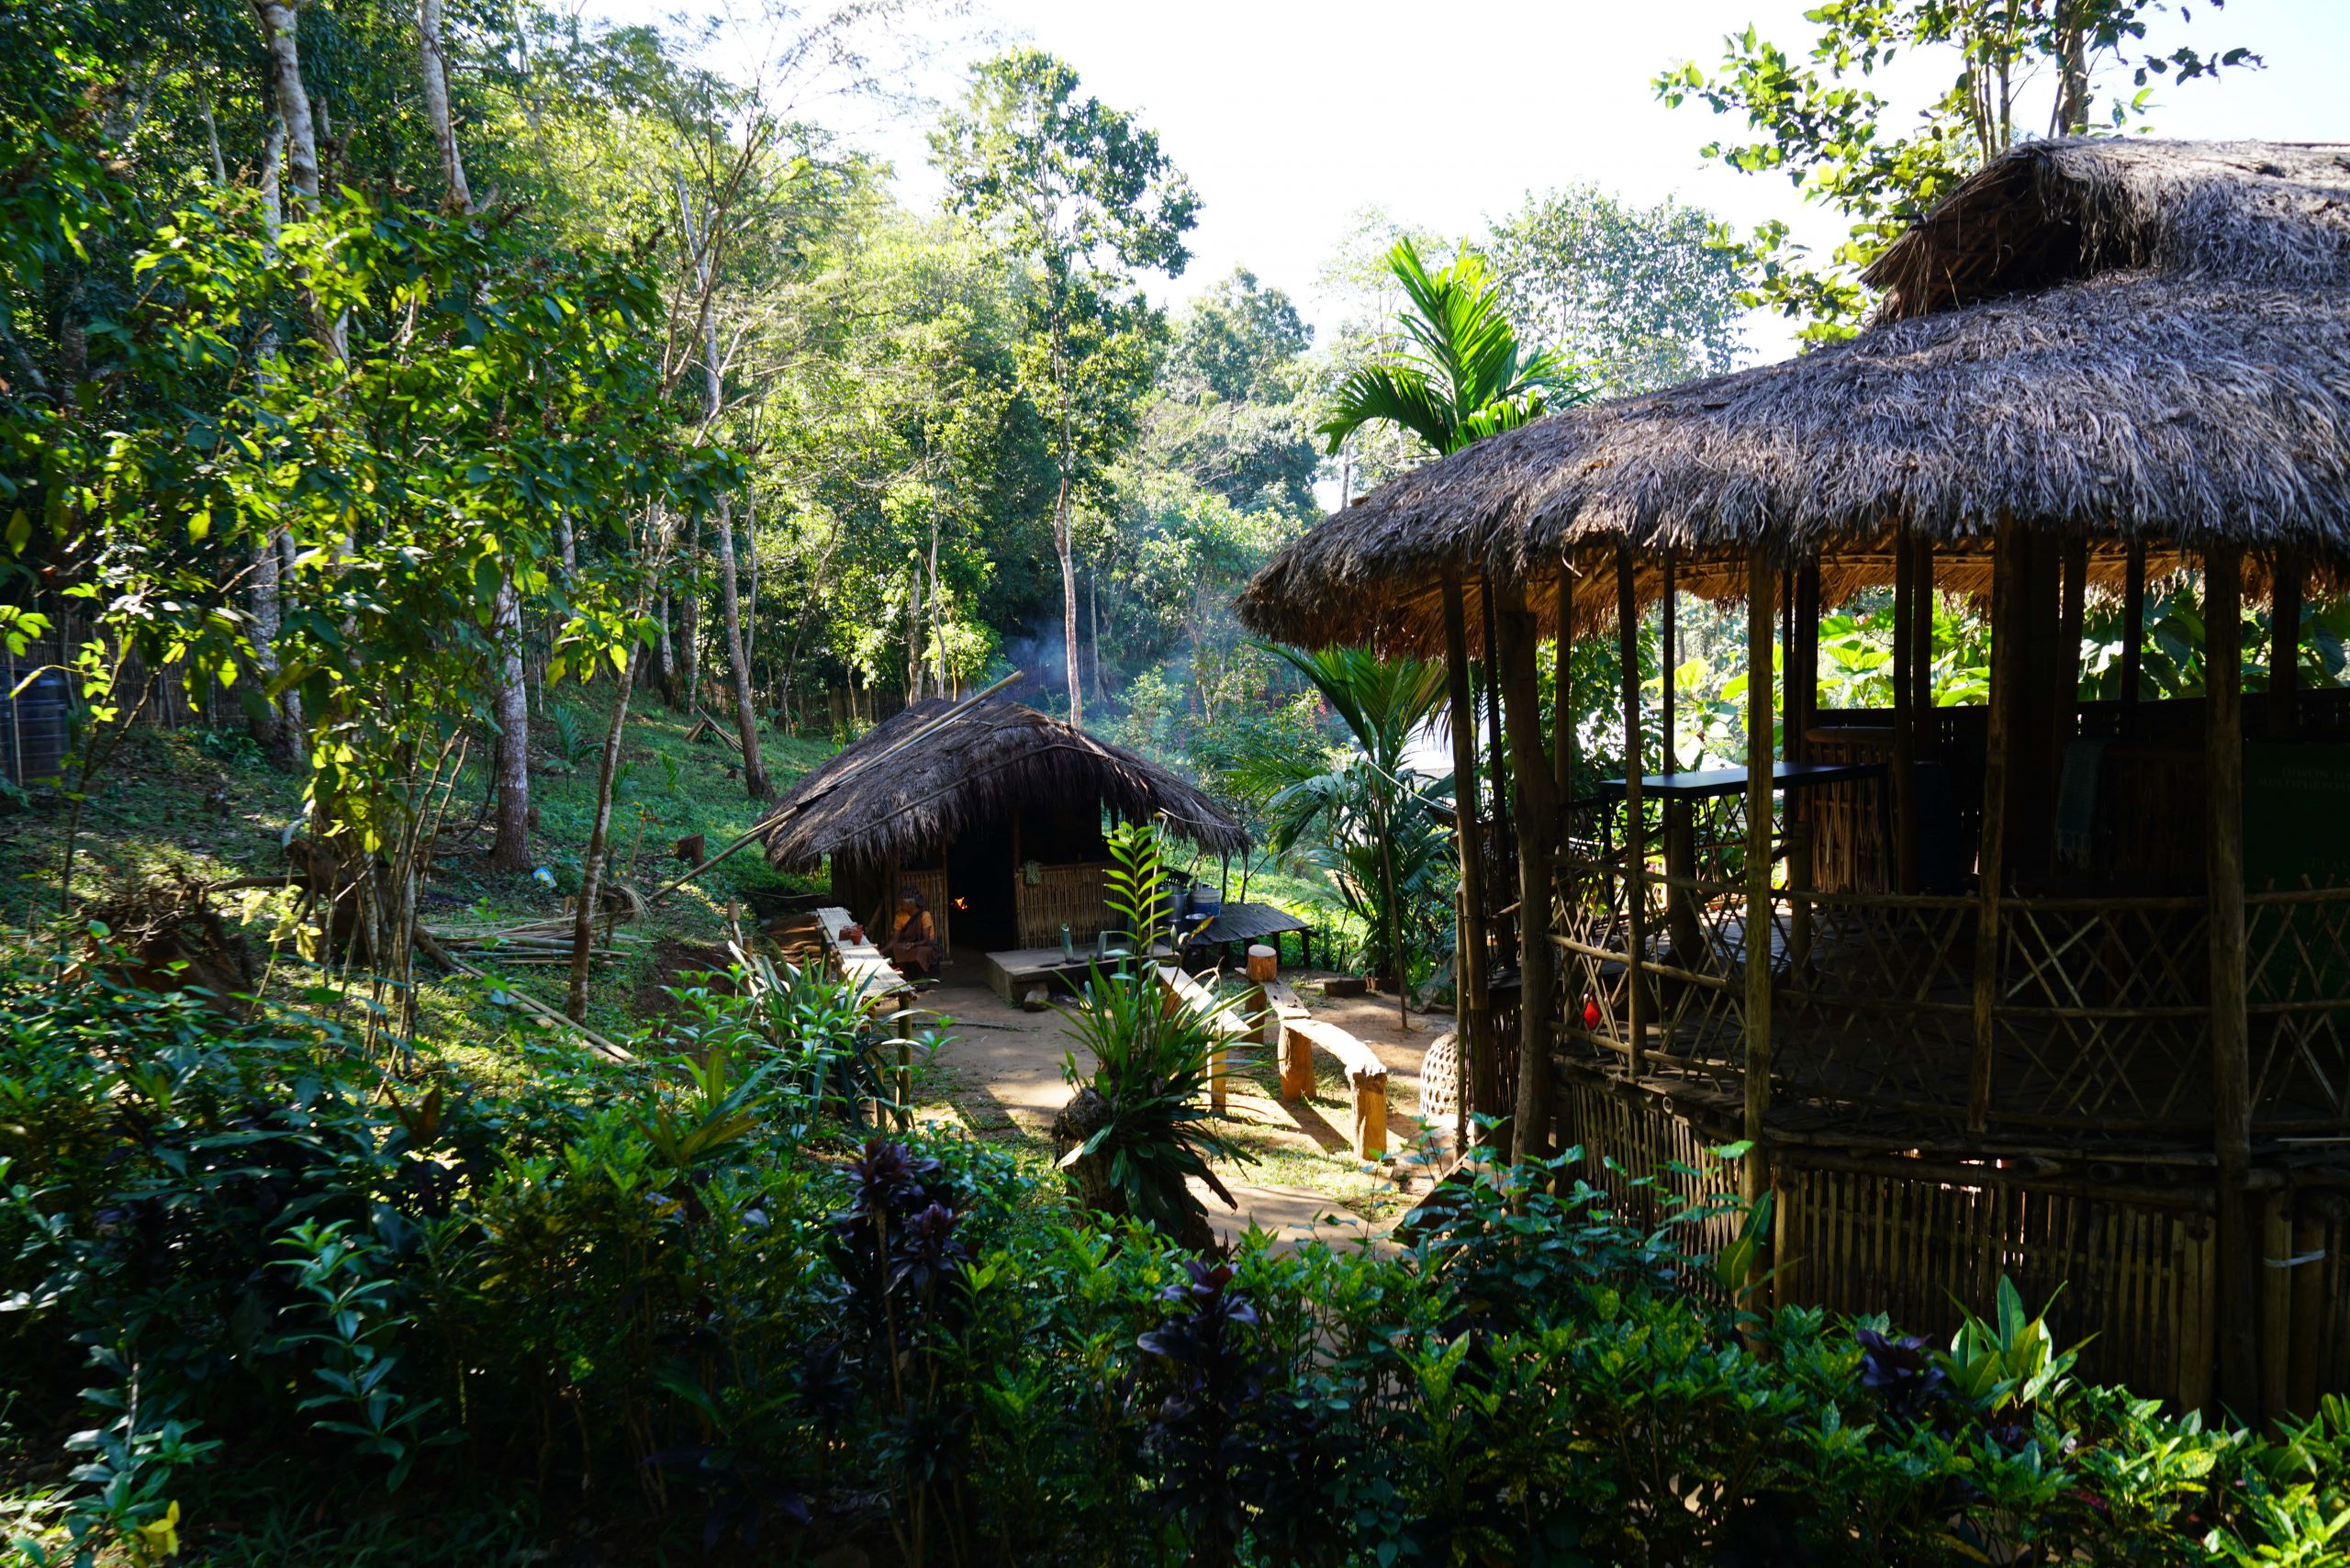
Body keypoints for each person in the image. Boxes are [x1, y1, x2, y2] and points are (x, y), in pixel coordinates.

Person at [878, 886, 939, 980]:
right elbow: (894, 939)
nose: (900, 906)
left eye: (902, 903)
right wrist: (881, 951)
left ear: (910, 903)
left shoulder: (924, 915)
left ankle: (921, 977)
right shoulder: (900, 916)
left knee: (919, 952)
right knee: (897, 948)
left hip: (926, 946)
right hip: (910, 945)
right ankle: (907, 976)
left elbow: (926, 940)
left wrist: (913, 944)